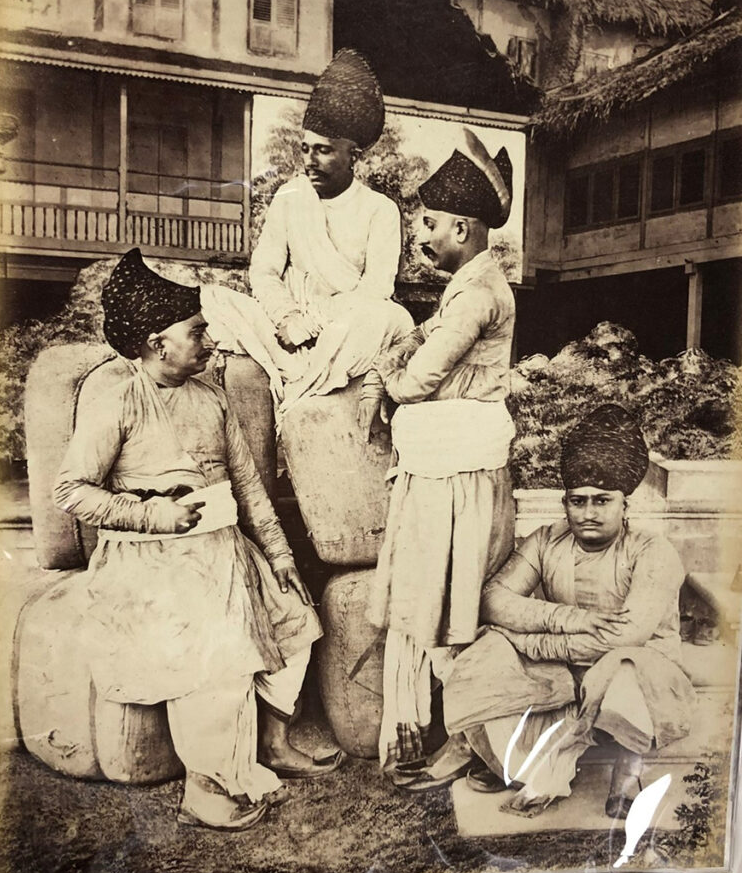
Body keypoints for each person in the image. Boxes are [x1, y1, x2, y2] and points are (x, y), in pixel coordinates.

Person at [53, 249, 343, 833]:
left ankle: (273, 744)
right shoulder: (119, 398)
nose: (208, 341)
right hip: (151, 560)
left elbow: (248, 487)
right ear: (160, 343)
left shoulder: (212, 396)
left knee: (296, 620)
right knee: (215, 656)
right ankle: (207, 789)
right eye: (198, 331)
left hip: (226, 548)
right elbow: (72, 490)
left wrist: (280, 556)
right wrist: (154, 518)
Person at [418, 403, 696, 819]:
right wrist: (563, 620)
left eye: (602, 501)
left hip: (635, 673)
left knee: (625, 667)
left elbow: (624, 636)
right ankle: (502, 758)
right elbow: (494, 598)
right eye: (577, 501)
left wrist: (524, 638)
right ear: (565, 502)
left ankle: (628, 770)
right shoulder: (547, 539)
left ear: (625, 504)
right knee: (486, 651)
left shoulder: (652, 551)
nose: (588, 514)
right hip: (563, 671)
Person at [359, 128, 517, 774]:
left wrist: (388, 387)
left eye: (429, 225)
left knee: (449, 605)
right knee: (434, 601)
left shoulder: (479, 293)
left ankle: (465, 739)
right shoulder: (468, 287)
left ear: (463, 227)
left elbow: (427, 370)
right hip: (448, 467)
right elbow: (428, 334)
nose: (421, 238)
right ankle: (423, 731)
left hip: (457, 475)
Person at [202, 48, 413, 417]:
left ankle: (302, 390)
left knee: (388, 318)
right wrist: (287, 318)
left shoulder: (381, 210)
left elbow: (376, 289)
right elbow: (265, 271)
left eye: (324, 151)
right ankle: (300, 375)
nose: (309, 161)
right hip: (288, 329)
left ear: (354, 156)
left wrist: (313, 324)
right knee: (210, 299)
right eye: (305, 149)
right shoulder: (290, 197)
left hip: (344, 329)